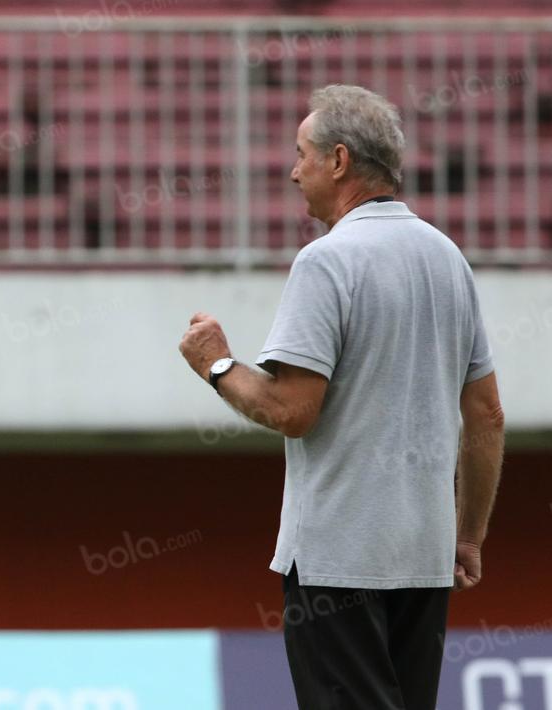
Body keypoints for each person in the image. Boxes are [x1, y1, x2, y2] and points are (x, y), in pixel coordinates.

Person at [179, 85, 505, 710]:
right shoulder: (449, 259)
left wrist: (216, 362)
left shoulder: (326, 261)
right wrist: (467, 538)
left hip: (338, 560)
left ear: (338, 159)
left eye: (301, 153)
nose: (292, 170)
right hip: (424, 555)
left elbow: (291, 411)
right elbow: (486, 414)